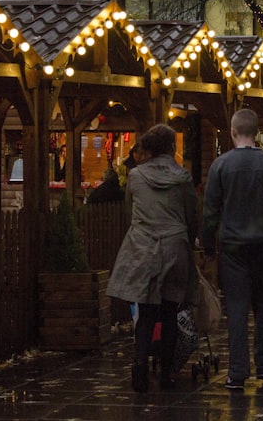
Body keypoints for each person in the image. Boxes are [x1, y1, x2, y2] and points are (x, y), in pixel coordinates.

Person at [200, 108, 263, 391]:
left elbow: (210, 212)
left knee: (236, 310)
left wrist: (208, 246)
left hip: (233, 249)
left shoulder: (220, 167)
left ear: (233, 132)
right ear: (256, 133)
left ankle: (237, 372)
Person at [105, 124, 198, 392]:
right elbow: (191, 216)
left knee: (145, 313)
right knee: (170, 311)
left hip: (143, 246)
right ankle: (167, 372)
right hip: (175, 246)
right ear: (171, 147)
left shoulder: (135, 177)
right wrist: (189, 242)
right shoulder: (183, 177)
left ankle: (140, 368)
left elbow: (129, 214)